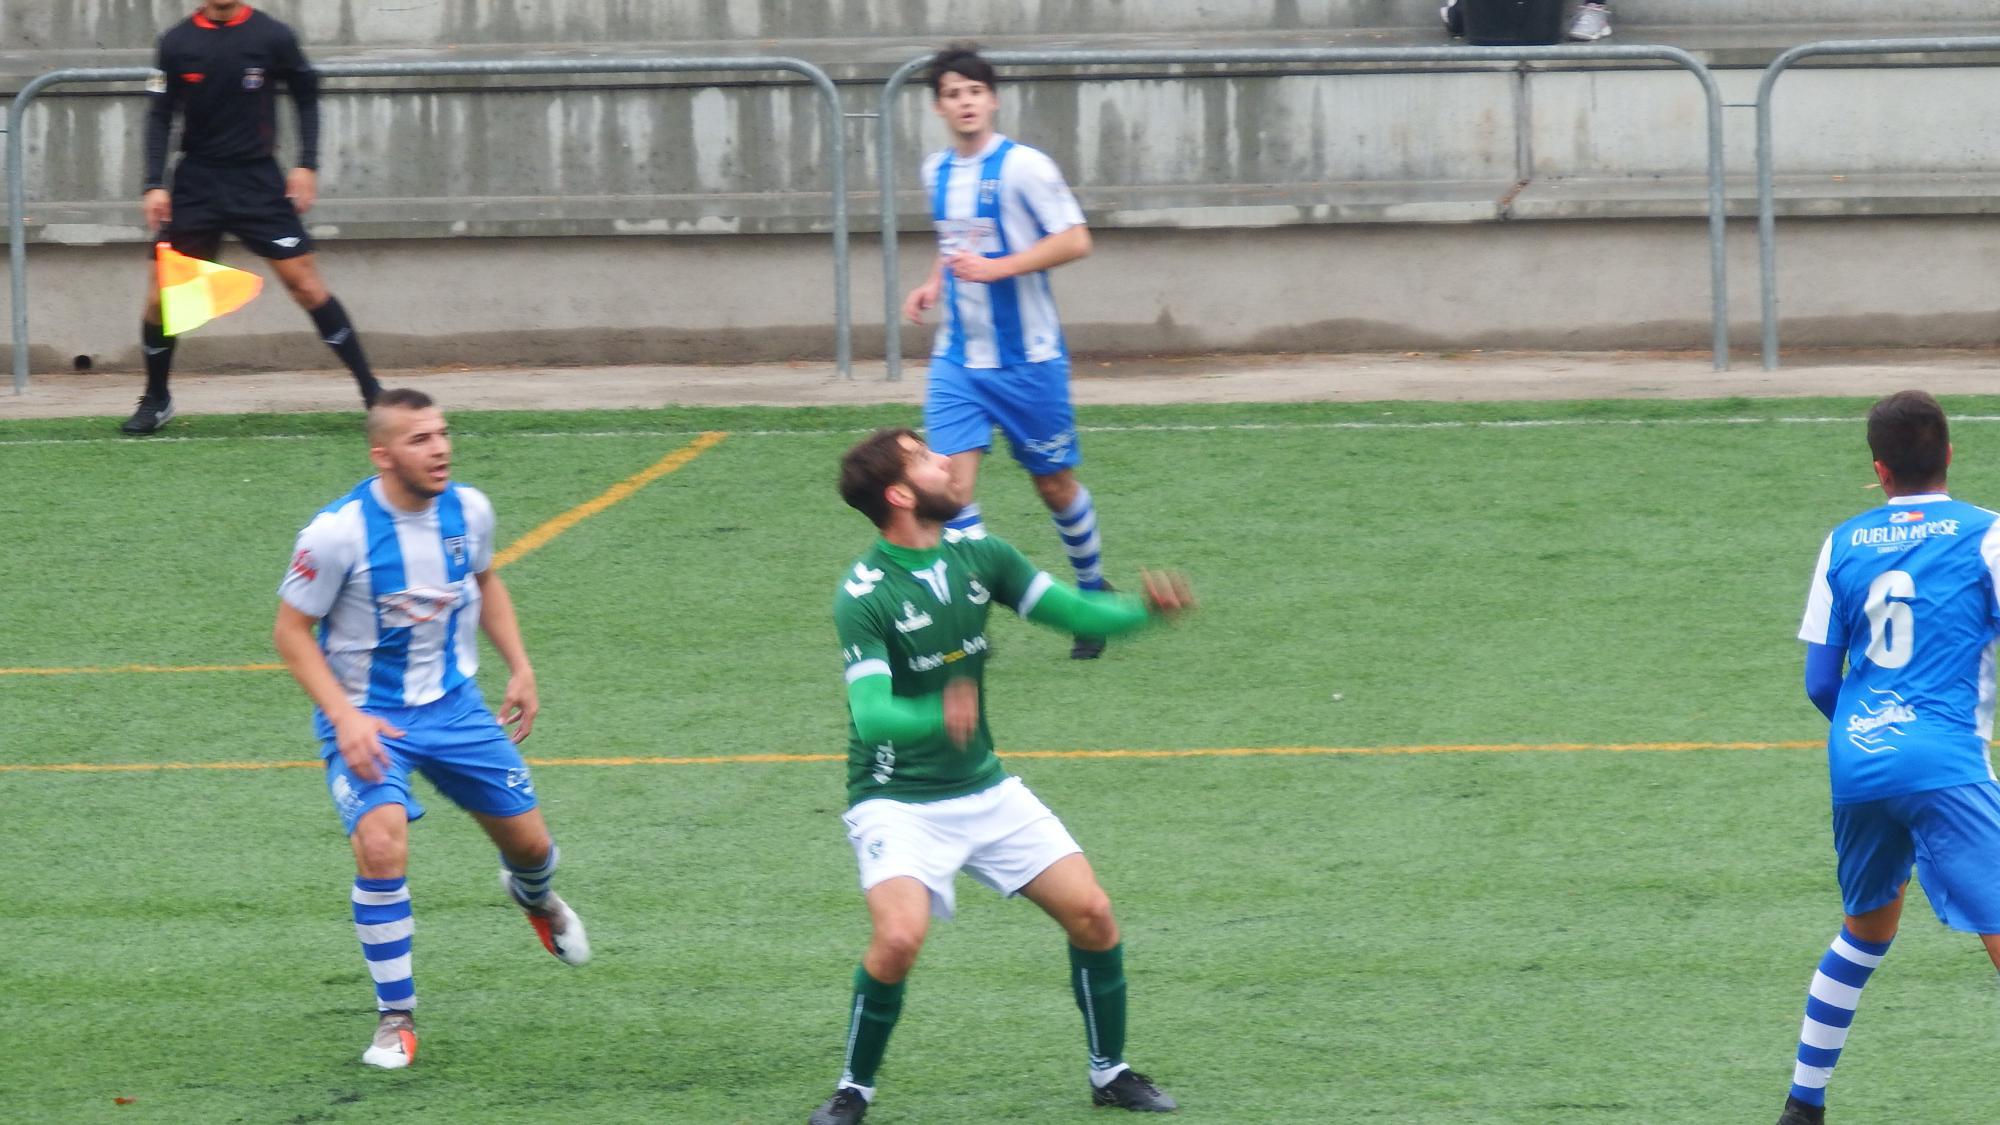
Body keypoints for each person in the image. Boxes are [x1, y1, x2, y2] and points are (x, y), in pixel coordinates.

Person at [806, 427, 1194, 1124]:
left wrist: (1140, 611)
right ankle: (853, 1089)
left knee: (1093, 913)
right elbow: (870, 713)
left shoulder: (982, 555)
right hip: (896, 801)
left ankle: (1109, 1072)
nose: (946, 463)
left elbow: (1071, 610)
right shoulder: (863, 593)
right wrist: (936, 715)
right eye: (926, 459)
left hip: (984, 789)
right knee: (898, 939)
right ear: (900, 495)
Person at [272, 388, 588, 1070]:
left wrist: (521, 666)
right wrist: (344, 716)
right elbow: (291, 632)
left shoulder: (469, 510)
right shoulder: (336, 534)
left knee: (531, 846)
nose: (440, 448)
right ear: (382, 455)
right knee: (380, 844)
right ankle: (396, 1018)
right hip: (368, 718)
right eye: (420, 439)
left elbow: (486, 581)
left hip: (455, 708)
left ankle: (533, 896)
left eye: (442, 433)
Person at [1783, 390, 2000, 1124]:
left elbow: (1820, 681)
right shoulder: (1987, 534)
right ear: (1950, 454)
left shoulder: (1842, 542)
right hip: (1945, 762)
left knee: (1866, 932)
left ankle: (1802, 1106)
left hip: (1859, 761)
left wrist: (1872, 732)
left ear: (1879, 469)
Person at [900, 44, 1114, 660]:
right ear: (939, 107)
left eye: (974, 91)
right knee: (948, 493)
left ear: (992, 100)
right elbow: (955, 242)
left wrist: (999, 268)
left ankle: (1091, 592)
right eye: (952, 94)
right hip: (958, 361)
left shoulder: (1025, 167)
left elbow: (1076, 240)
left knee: (1054, 486)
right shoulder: (936, 171)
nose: (965, 102)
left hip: (1029, 362)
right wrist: (934, 282)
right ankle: (968, 623)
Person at [129, 0, 381, 435]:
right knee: (163, 297)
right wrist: (153, 183)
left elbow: (306, 95)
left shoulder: (272, 36)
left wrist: (307, 164)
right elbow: (159, 114)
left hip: (257, 181)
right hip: (197, 183)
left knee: (306, 285)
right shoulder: (176, 42)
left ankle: (373, 394)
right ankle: (156, 398)